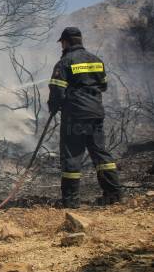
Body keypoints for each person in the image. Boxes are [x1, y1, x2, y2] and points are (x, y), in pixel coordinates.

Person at [47, 26, 122, 209]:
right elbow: (103, 85)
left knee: (72, 156)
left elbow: (57, 90)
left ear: (65, 42)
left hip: (75, 116)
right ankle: (113, 195)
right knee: (100, 153)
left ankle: (71, 201)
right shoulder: (96, 60)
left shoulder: (65, 62)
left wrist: (54, 106)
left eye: (62, 43)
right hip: (96, 114)